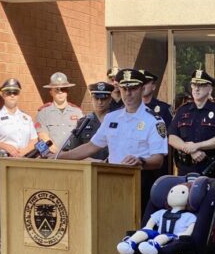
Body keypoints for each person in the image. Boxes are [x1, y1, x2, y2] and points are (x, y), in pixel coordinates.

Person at [56, 68, 168, 211]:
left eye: (133, 88)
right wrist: (59, 156)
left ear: (142, 89)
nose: (128, 93)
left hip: (141, 181)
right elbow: (91, 146)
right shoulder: (111, 118)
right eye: (124, 88)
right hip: (111, 182)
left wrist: (141, 161)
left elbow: (158, 160)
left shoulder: (154, 121)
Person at [168, 69, 215, 178]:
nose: (196, 88)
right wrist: (189, 150)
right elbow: (172, 137)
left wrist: (197, 146)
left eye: (201, 85)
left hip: (208, 170)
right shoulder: (182, 110)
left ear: (210, 89)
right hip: (184, 169)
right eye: (194, 84)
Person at [0, 78, 37, 173]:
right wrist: (5, 146)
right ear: (3, 95)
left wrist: (23, 152)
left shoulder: (27, 118)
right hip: (2, 164)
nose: (12, 95)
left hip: (24, 162)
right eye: (8, 92)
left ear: (18, 95)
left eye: (15, 92)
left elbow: (34, 140)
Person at [35, 72, 84, 154]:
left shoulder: (78, 112)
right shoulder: (43, 113)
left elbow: (82, 136)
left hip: (73, 157)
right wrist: (59, 154)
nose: (60, 92)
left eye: (63, 89)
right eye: (57, 89)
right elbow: (42, 136)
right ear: (51, 92)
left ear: (67, 91)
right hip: (51, 157)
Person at [69, 81, 113, 160]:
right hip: (89, 169)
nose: (99, 102)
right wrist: (89, 160)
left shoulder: (118, 120)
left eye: (104, 98)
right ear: (91, 99)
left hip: (114, 168)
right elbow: (73, 150)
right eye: (96, 98)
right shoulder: (83, 122)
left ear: (110, 99)